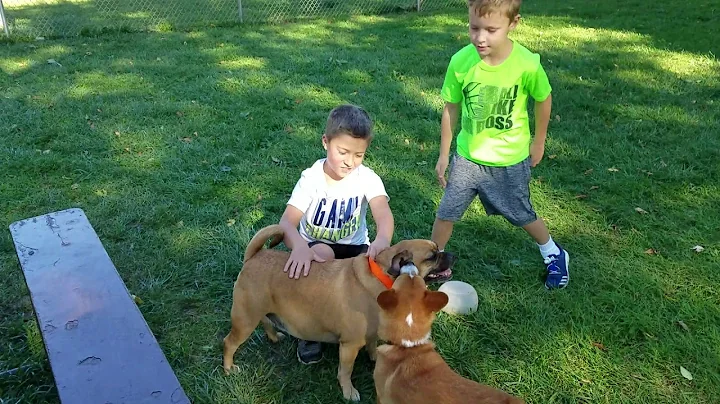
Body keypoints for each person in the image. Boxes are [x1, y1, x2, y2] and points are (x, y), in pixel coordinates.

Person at [432, 0, 569, 290]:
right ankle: (434, 261)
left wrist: (539, 140)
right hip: (467, 157)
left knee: (520, 213)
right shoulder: (461, 62)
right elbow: (450, 109)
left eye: (491, 30)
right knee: (446, 211)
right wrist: (445, 154)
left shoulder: (527, 64)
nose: (480, 37)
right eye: (474, 28)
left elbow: (544, 99)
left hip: (509, 160)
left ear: (513, 23)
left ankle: (554, 253)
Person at [278, 104, 395, 364]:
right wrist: (298, 247)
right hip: (317, 247)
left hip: (355, 248)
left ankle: (368, 328)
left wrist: (382, 240)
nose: (349, 161)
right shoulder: (310, 179)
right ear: (325, 142)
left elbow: (383, 213)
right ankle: (309, 332)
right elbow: (286, 223)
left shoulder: (367, 178)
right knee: (317, 264)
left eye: (359, 154)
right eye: (342, 152)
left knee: (379, 280)